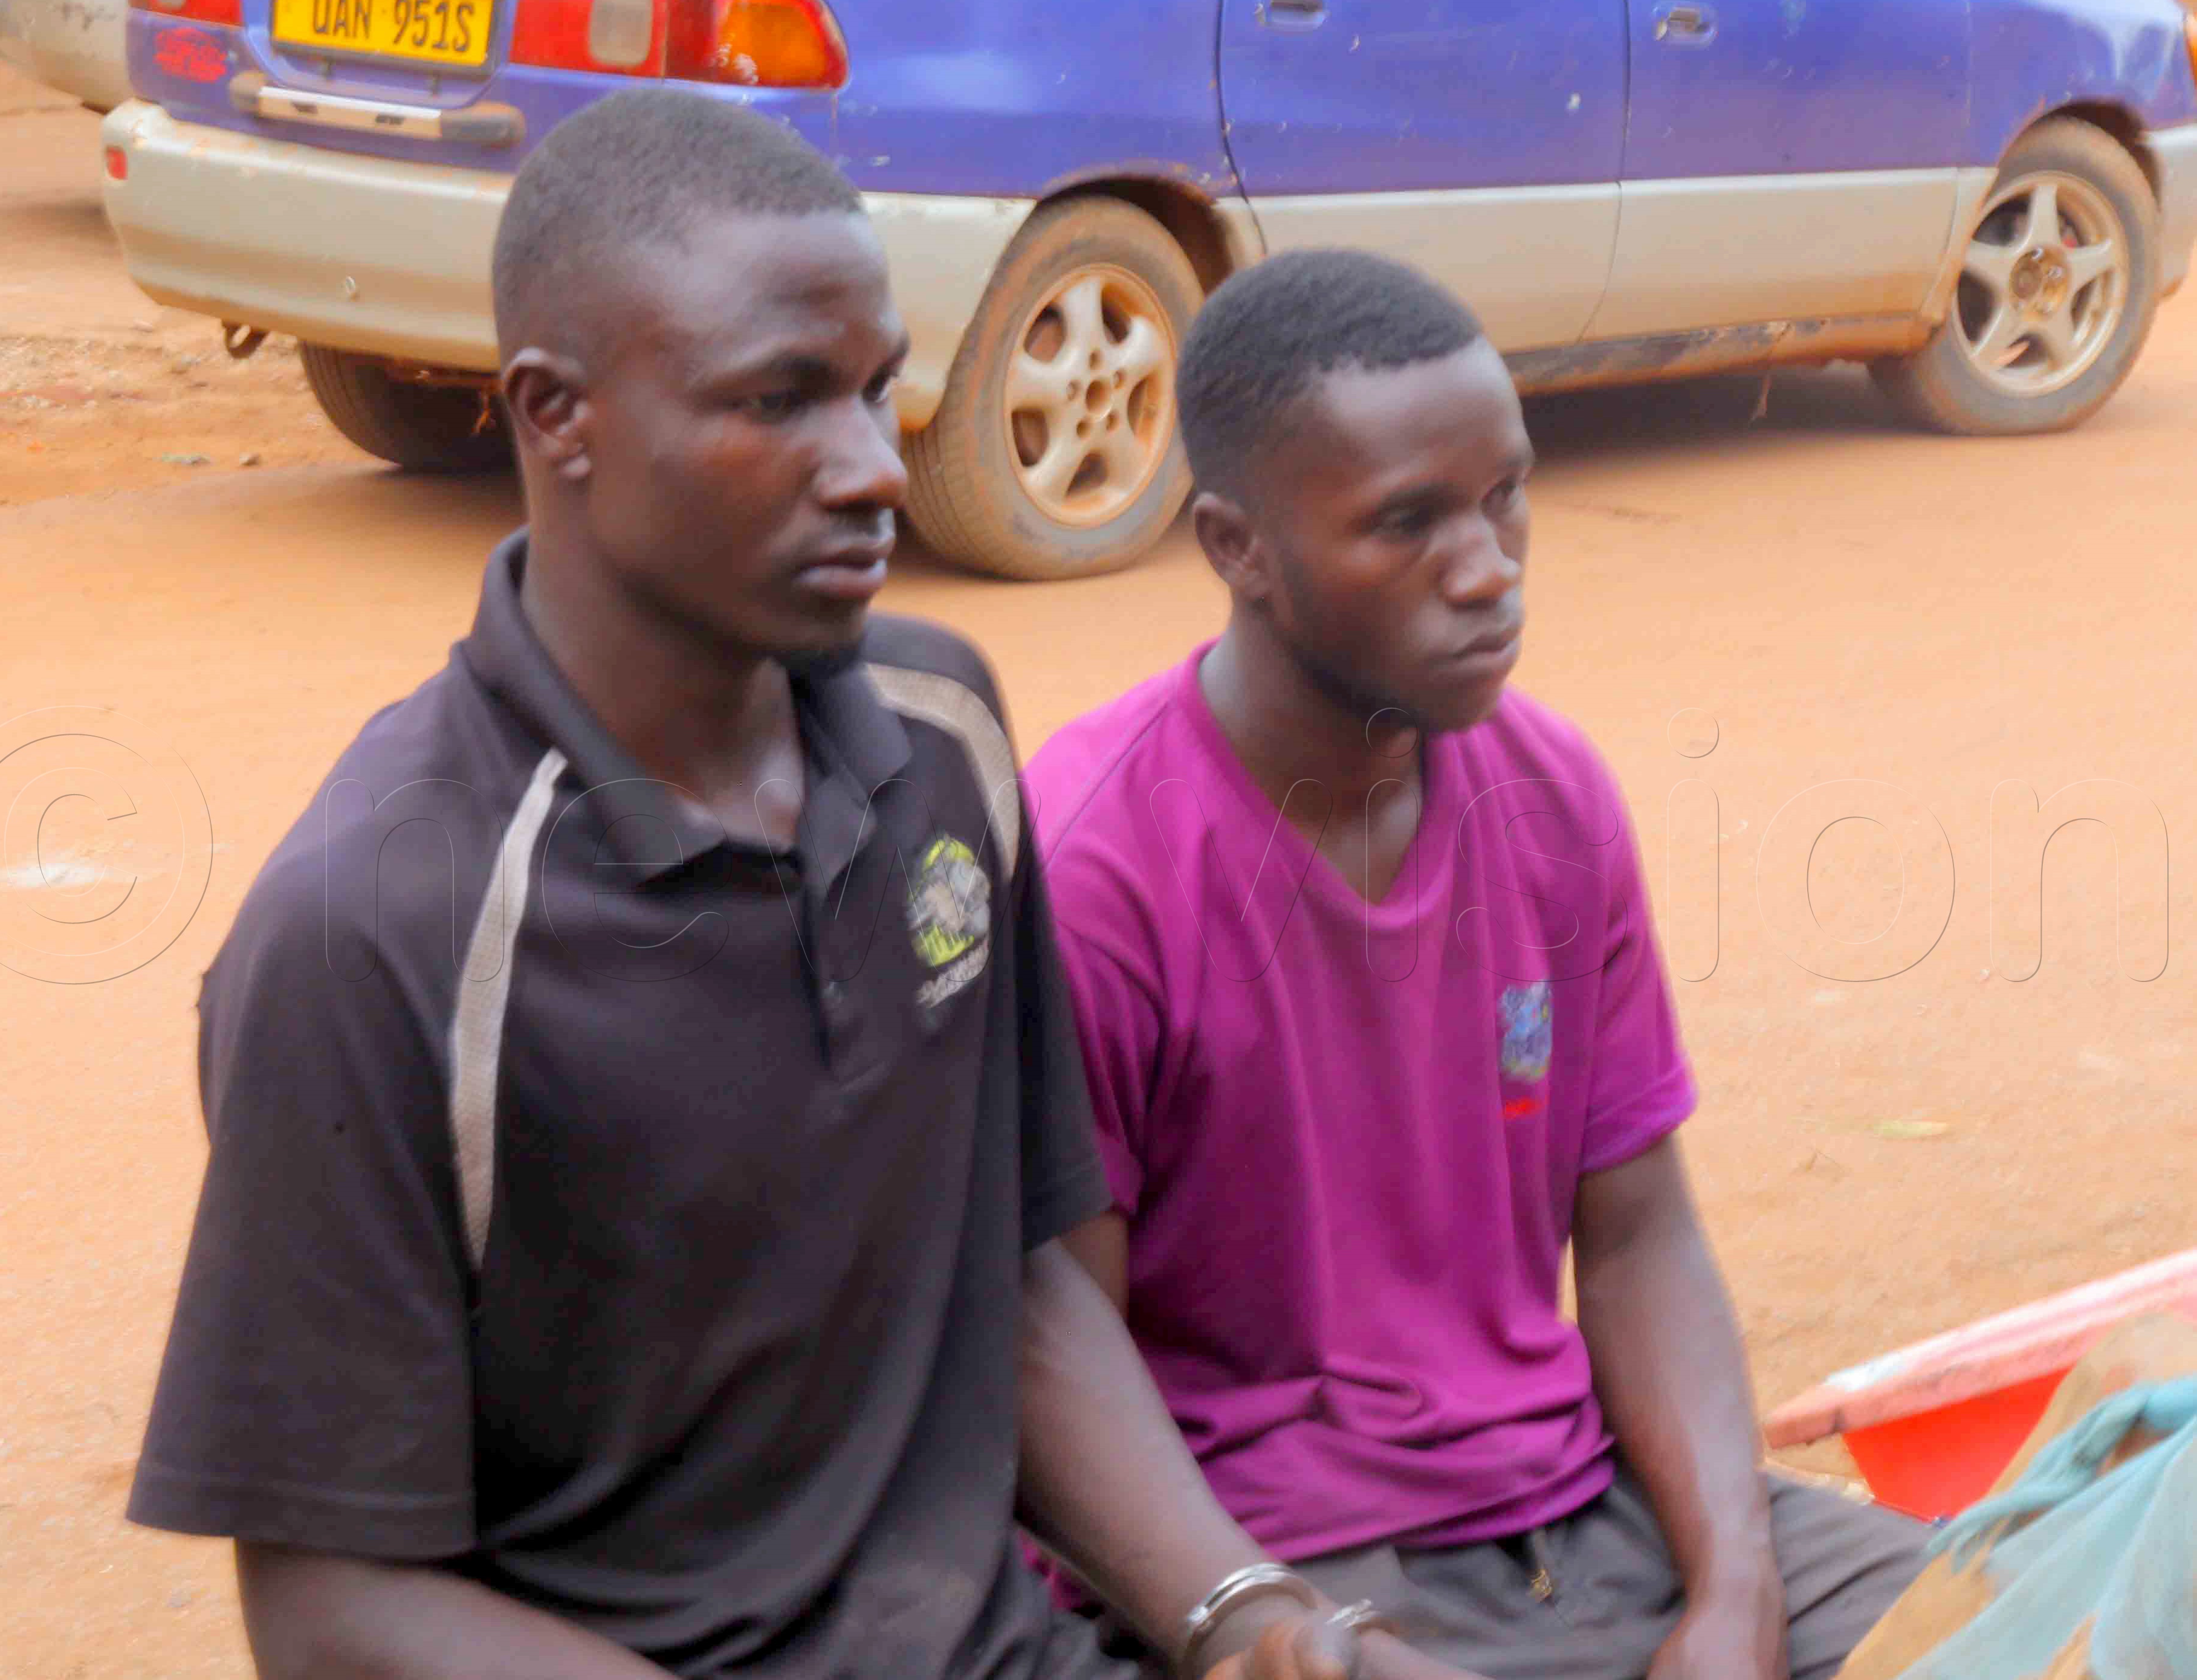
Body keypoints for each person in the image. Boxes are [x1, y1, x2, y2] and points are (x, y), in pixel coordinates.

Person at [124, 95, 1468, 1680]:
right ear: (559, 417)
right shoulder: (377, 926)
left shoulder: (943, 735)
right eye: (781, 400)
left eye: (876, 388)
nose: (873, 469)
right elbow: (335, 1607)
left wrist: (1250, 1618)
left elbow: (1022, 1287)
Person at [1021, 250, 1930, 1680]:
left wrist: (1736, 1596)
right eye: (1407, 523)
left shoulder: (1553, 796)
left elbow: (1636, 1238)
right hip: (1301, 1567)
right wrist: (1268, 1629)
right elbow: (1045, 1337)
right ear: (1235, 547)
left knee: (2071, 1607)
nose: (1488, 567)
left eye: (1505, 491)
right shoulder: (1095, 869)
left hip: (1587, 1508)